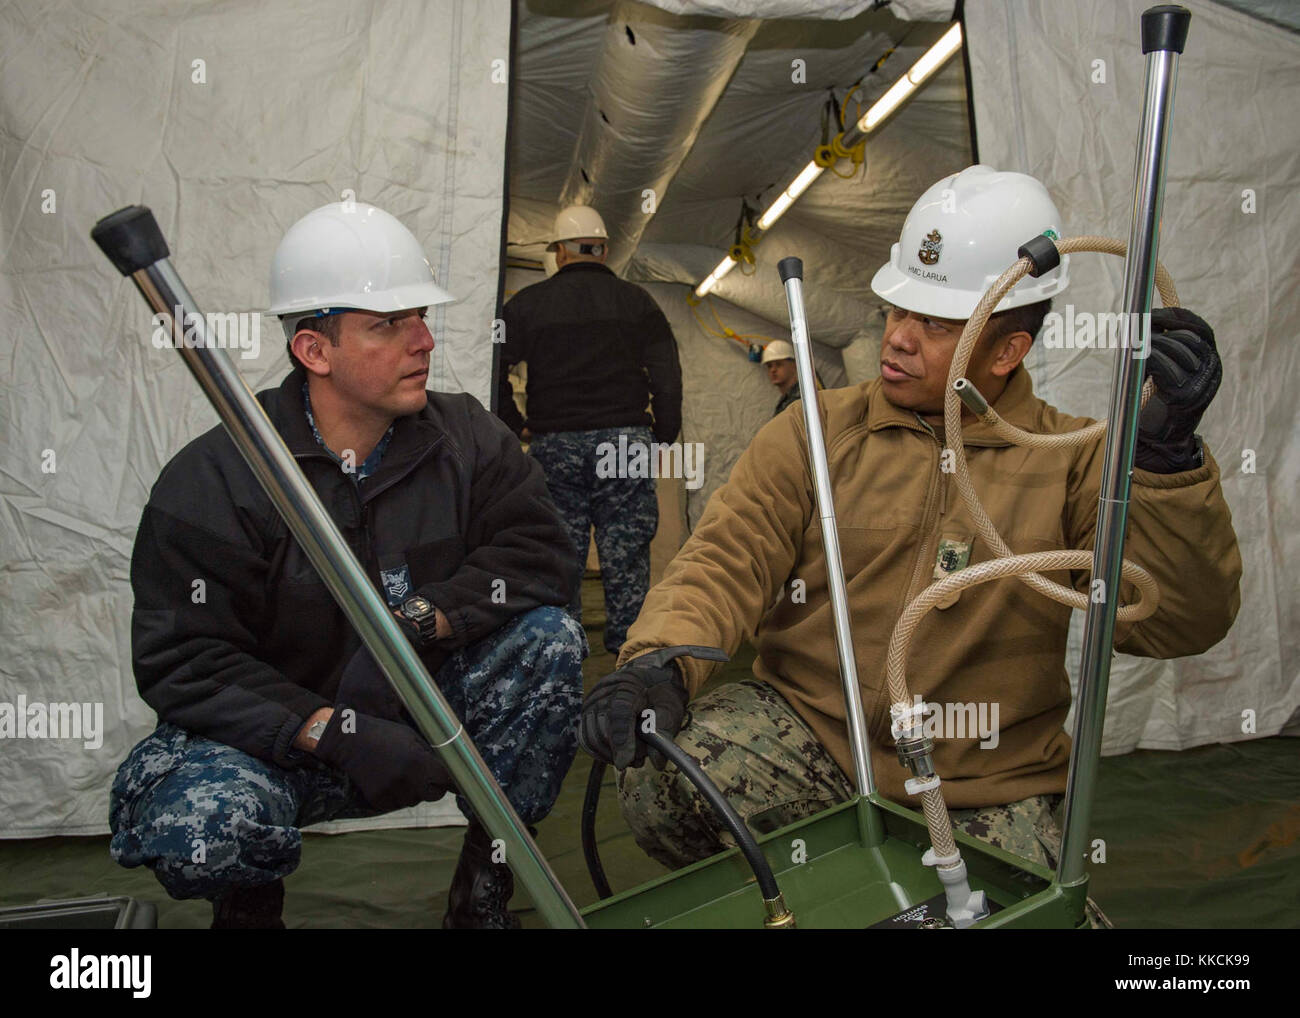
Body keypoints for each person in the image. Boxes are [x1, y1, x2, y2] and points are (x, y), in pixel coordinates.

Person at [578, 166, 1242, 926]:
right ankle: (818, 897)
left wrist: (1166, 466)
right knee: (665, 778)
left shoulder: (1074, 459)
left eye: (935, 323)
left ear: (1006, 350)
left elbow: (1178, 622)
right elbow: (725, 560)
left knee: (1037, 920)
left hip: (983, 779)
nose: (896, 336)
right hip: (815, 739)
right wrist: (661, 662)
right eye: (898, 306)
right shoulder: (816, 431)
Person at [108, 201, 585, 929]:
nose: (423, 340)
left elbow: (541, 554)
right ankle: (248, 905)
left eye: (420, 316)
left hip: (424, 724)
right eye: (387, 325)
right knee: (199, 821)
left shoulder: (468, 441)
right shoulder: (219, 477)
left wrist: (421, 624)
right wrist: (324, 726)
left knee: (548, 641)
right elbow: (185, 660)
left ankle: (486, 884)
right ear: (314, 350)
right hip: (280, 746)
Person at [496, 205, 683, 654]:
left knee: (561, 553)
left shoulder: (525, 305)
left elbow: (492, 364)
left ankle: (565, 653)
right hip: (625, 442)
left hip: (555, 444)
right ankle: (630, 657)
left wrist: (515, 425)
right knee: (628, 554)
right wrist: (663, 433)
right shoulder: (638, 302)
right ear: (602, 249)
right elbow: (667, 370)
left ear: (560, 252)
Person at [762, 340, 801, 416]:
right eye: (769, 366)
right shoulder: (786, 399)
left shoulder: (800, 399)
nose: (773, 370)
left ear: (794, 365)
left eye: (779, 364)